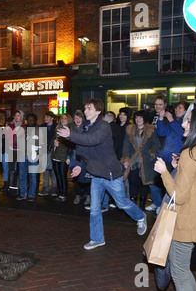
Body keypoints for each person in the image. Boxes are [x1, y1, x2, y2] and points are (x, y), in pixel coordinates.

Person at [57, 99, 147, 250]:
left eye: (89, 108)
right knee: (94, 208)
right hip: (96, 175)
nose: (85, 112)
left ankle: (140, 216)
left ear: (98, 111)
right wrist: (79, 167)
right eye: (85, 108)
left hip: (110, 173)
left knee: (122, 203)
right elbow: (84, 151)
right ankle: (97, 239)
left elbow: (92, 140)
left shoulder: (104, 126)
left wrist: (70, 134)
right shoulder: (87, 127)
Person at [154, 106, 196, 291]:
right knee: (184, 271)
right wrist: (179, 168)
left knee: (180, 273)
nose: (183, 124)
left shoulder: (191, 153)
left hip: (185, 221)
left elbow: (178, 196)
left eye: (189, 121)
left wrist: (164, 171)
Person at [121, 110, 161, 209]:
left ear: (144, 118)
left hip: (146, 160)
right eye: (136, 117)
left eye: (140, 117)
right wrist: (126, 159)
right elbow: (125, 145)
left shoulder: (150, 130)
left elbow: (157, 144)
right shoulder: (130, 129)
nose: (137, 119)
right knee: (132, 182)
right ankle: (133, 204)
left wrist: (151, 153)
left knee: (144, 183)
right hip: (133, 161)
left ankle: (142, 204)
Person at [16, 113, 41, 202]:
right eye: (29, 120)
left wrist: (29, 137)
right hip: (22, 155)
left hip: (33, 156)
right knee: (22, 176)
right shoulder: (22, 129)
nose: (30, 122)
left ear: (35, 121)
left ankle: (31, 195)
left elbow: (40, 143)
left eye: (32, 120)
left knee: (33, 176)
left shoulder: (39, 130)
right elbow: (15, 141)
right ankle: (23, 194)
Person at [50, 113, 74, 202]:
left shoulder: (70, 130)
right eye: (62, 118)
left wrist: (68, 157)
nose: (63, 120)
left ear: (69, 120)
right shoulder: (57, 129)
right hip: (55, 155)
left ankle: (63, 194)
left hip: (64, 156)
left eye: (65, 118)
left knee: (63, 176)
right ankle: (60, 193)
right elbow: (52, 140)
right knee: (57, 175)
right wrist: (54, 142)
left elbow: (71, 145)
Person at [38, 111, 57, 196]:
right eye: (45, 117)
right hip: (43, 150)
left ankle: (54, 188)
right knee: (45, 170)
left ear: (52, 118)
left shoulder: (56, 126)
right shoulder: (42, 126)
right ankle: (45, 188)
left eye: (48, 117)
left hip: (53, 150)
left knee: (53, 170)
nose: (46, 118)